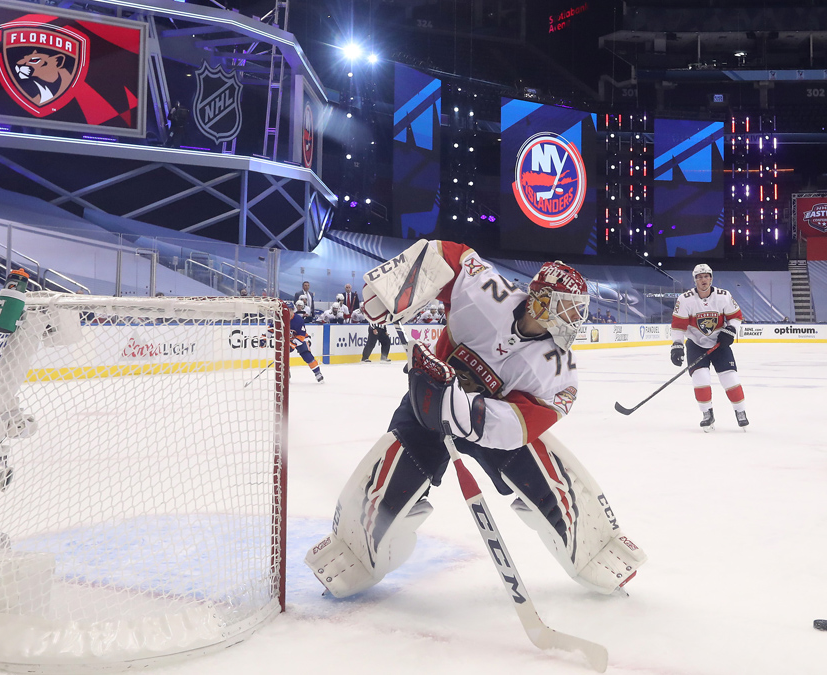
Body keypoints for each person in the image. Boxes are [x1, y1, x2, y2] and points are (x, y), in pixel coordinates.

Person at [305, 239, 646, 599]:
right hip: (427, 411)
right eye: (569, 309)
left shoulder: (558, 370)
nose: (575, 320)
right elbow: (445, 253)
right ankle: (354, 553)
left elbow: (523, 425)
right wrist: (398, 283)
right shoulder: (487, 295)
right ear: (541, 301)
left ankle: (593, 547)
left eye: (579, 312)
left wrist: (464, 411)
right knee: (384, 491)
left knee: (551, 487)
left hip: (492, 428)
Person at [670, 263, 749, 430]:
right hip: (696, 344)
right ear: (695, 280)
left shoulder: (724, 296)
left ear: (711, 278)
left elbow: (736, 317)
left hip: (720, 344)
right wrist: (677, 345)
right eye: (699, 277)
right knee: (700, 378)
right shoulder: (685, 299)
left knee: (730, 378)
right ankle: (707, 413)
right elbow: (678, 325)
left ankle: (740, 411)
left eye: (706, 276)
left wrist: (731, 330)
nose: (703, 280)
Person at [288, 304, 324, 383]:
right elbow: (272, 328)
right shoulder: (280, 318)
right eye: (287, 309)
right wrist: (264, 338)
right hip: (287, 339)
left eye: (290, 309)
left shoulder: (298, 319)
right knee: (282, 357)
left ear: (293, 310)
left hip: (301, 339)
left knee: (306, 355)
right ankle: (286, 374)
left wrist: (292, 345)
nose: (288, 311)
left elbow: (301, 335)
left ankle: (318, 373)